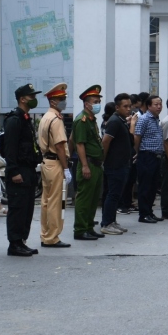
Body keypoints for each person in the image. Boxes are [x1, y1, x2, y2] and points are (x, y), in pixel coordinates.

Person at [3, 84, 42, 256]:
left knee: (27, 209)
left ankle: (21, 241)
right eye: (31, 96)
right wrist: (13, 172)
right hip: (19, 170)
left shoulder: (26, 118)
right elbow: (10, 149)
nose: (34, 99)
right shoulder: (15, 120)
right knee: (18, 209)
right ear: (22, 99)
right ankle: (14, 243)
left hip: (29, 169)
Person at [37, 83, 70, 249]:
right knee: (56, 202)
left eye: (64, 98)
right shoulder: (55, 120)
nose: (64, 101)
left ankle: (45, 234)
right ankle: (52, 237)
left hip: (46, 162)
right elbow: (59, 146)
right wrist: (66, 168)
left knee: (46, 201)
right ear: (53, 102)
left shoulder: (45, 117)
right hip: (55, 163)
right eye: (61, 99)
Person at [70, 85, 105, 241]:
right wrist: (84, 165)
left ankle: (89, 227)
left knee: (93, 199)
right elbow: (80, 144)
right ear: (87, 104)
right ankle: (80, 229)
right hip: (88, 164)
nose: (98, 104)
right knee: (84, 199)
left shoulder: (91, 119)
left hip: (96, 164)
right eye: (95, 101)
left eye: (99, 101)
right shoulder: (82, 120)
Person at [100, 93, 134, 234]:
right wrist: (103, 160)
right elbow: (106, 141)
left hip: (122, 164)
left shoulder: (121, 120)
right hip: (114, 165)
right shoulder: (114, 121)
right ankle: (107, 223)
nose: (128, 109)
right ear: (117, 107)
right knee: (113, 195)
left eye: (130, 106)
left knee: (116, 195)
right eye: (125, 106)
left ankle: (112, 221)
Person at [134, 94, 165, 223]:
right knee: (145, 186)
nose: (159, 107)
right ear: (148, 106)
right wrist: (138, 152)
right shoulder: (144, 119)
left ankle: (150, 212)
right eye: (156, 104)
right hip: (146, 156)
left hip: (156, 156)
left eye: (160, 104)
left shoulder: (156, 119)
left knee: (153, 187)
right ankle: (143, 214)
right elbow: (137, 137)